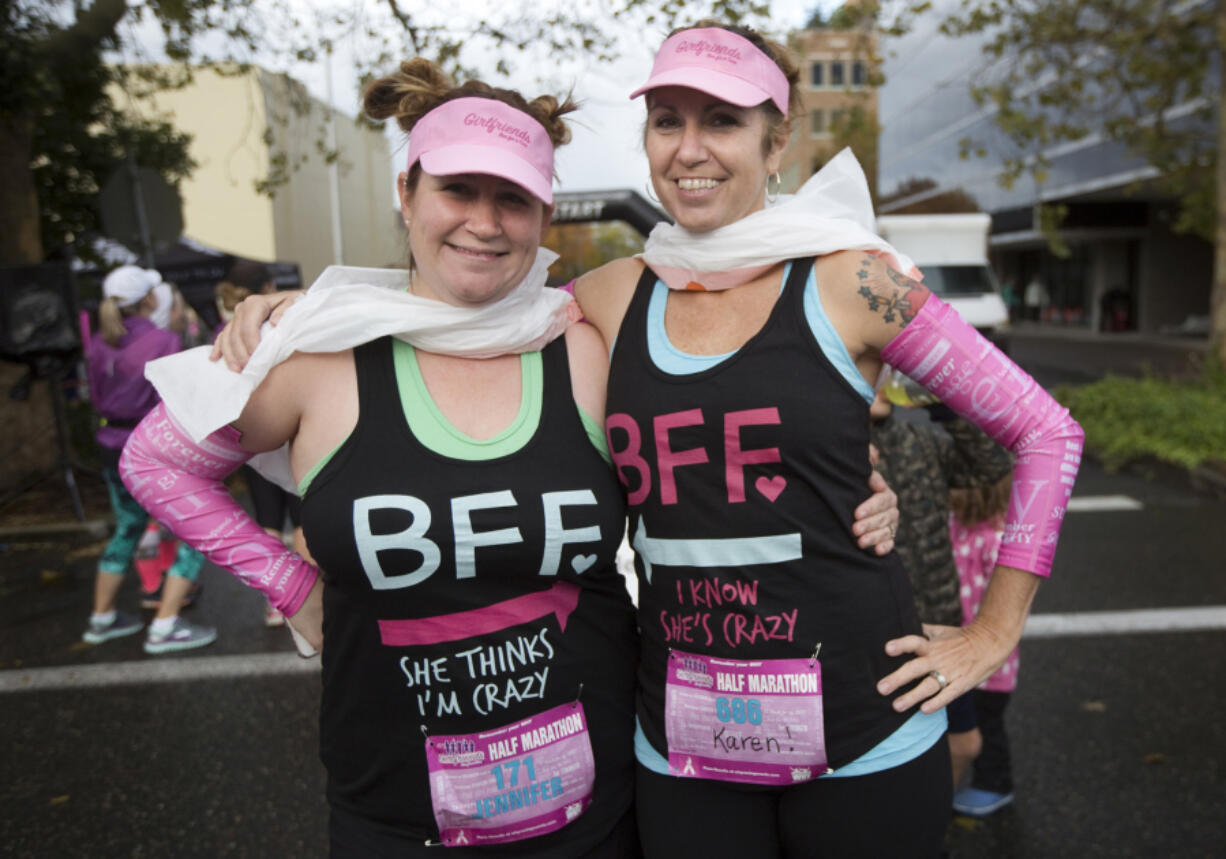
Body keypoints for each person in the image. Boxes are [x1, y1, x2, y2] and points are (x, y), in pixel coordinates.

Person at [218, 21, 1081, 857]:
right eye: (667, 119)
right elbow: (449, 315)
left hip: (864, 728)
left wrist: (995, 631)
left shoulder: (854, 277)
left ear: (776, 145)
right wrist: (317, 313)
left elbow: (1044, 429)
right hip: (682, 745)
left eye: (723, 121)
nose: (689, 147)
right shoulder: (603, 299)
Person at [82, 265, 216, 654]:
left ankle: (101, 619)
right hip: (151, 449)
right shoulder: (164, 340)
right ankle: (165, 626)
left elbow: (93, 395)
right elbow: (175, 404)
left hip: (110, 444)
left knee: (127, 528)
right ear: (149, 300)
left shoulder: (97, 344)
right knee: (195, 532)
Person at [214, 260, 309, 626]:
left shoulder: (226, 326)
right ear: (269, 286)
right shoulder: (277, 322)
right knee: (302, 520)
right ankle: (304, 600)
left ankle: (275, 603)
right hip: (290, 429)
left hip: (251, 435)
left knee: (267, 519)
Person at [948, 474, 1020, 817]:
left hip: (990, 665)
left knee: (987, 727)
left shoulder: (997, 540)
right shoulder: (956, 527)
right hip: (961, 656)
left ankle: (996, 784)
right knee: (968, 722)